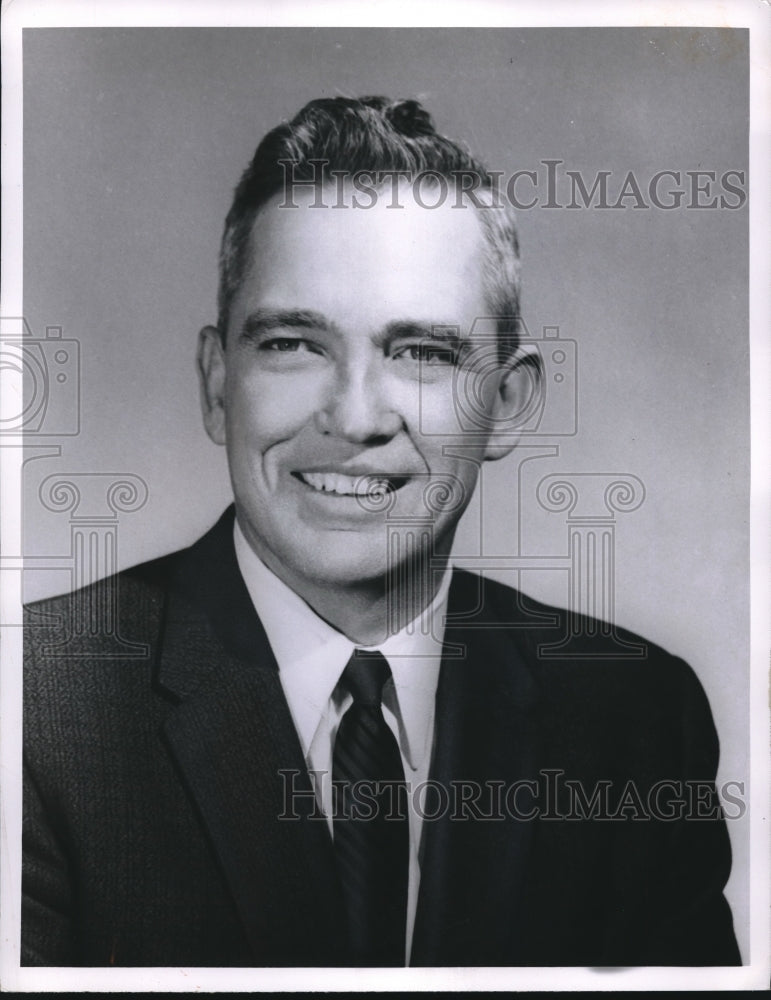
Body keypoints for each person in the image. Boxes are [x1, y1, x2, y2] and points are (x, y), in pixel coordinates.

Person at [22, 96, 740, 967]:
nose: (355, 417)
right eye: (293, 343)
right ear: (218, 385)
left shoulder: (633, 719)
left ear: (507, 405)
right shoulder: (33, 712)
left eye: (423, 353)